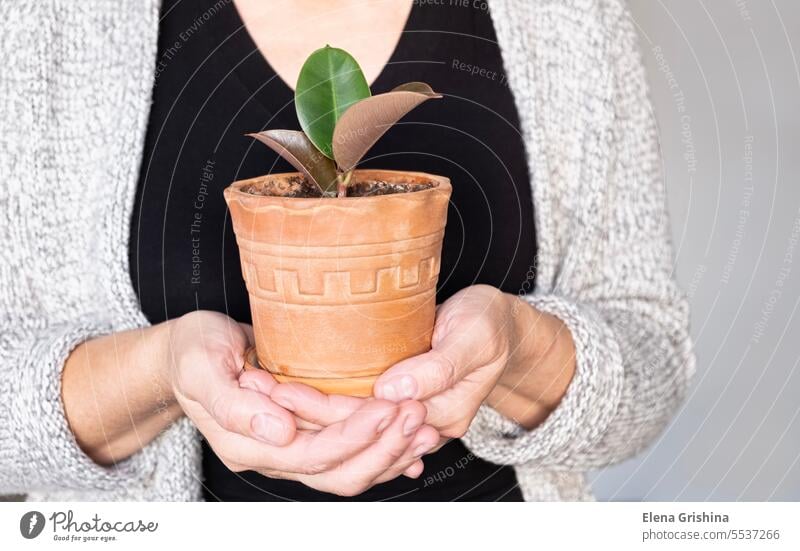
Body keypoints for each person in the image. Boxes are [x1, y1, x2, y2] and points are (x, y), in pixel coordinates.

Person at [0, 0, 694, 501]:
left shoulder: (566, 19)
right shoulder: (49, 25)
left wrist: (518, 347)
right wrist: (163, 371)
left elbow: (652, 365)